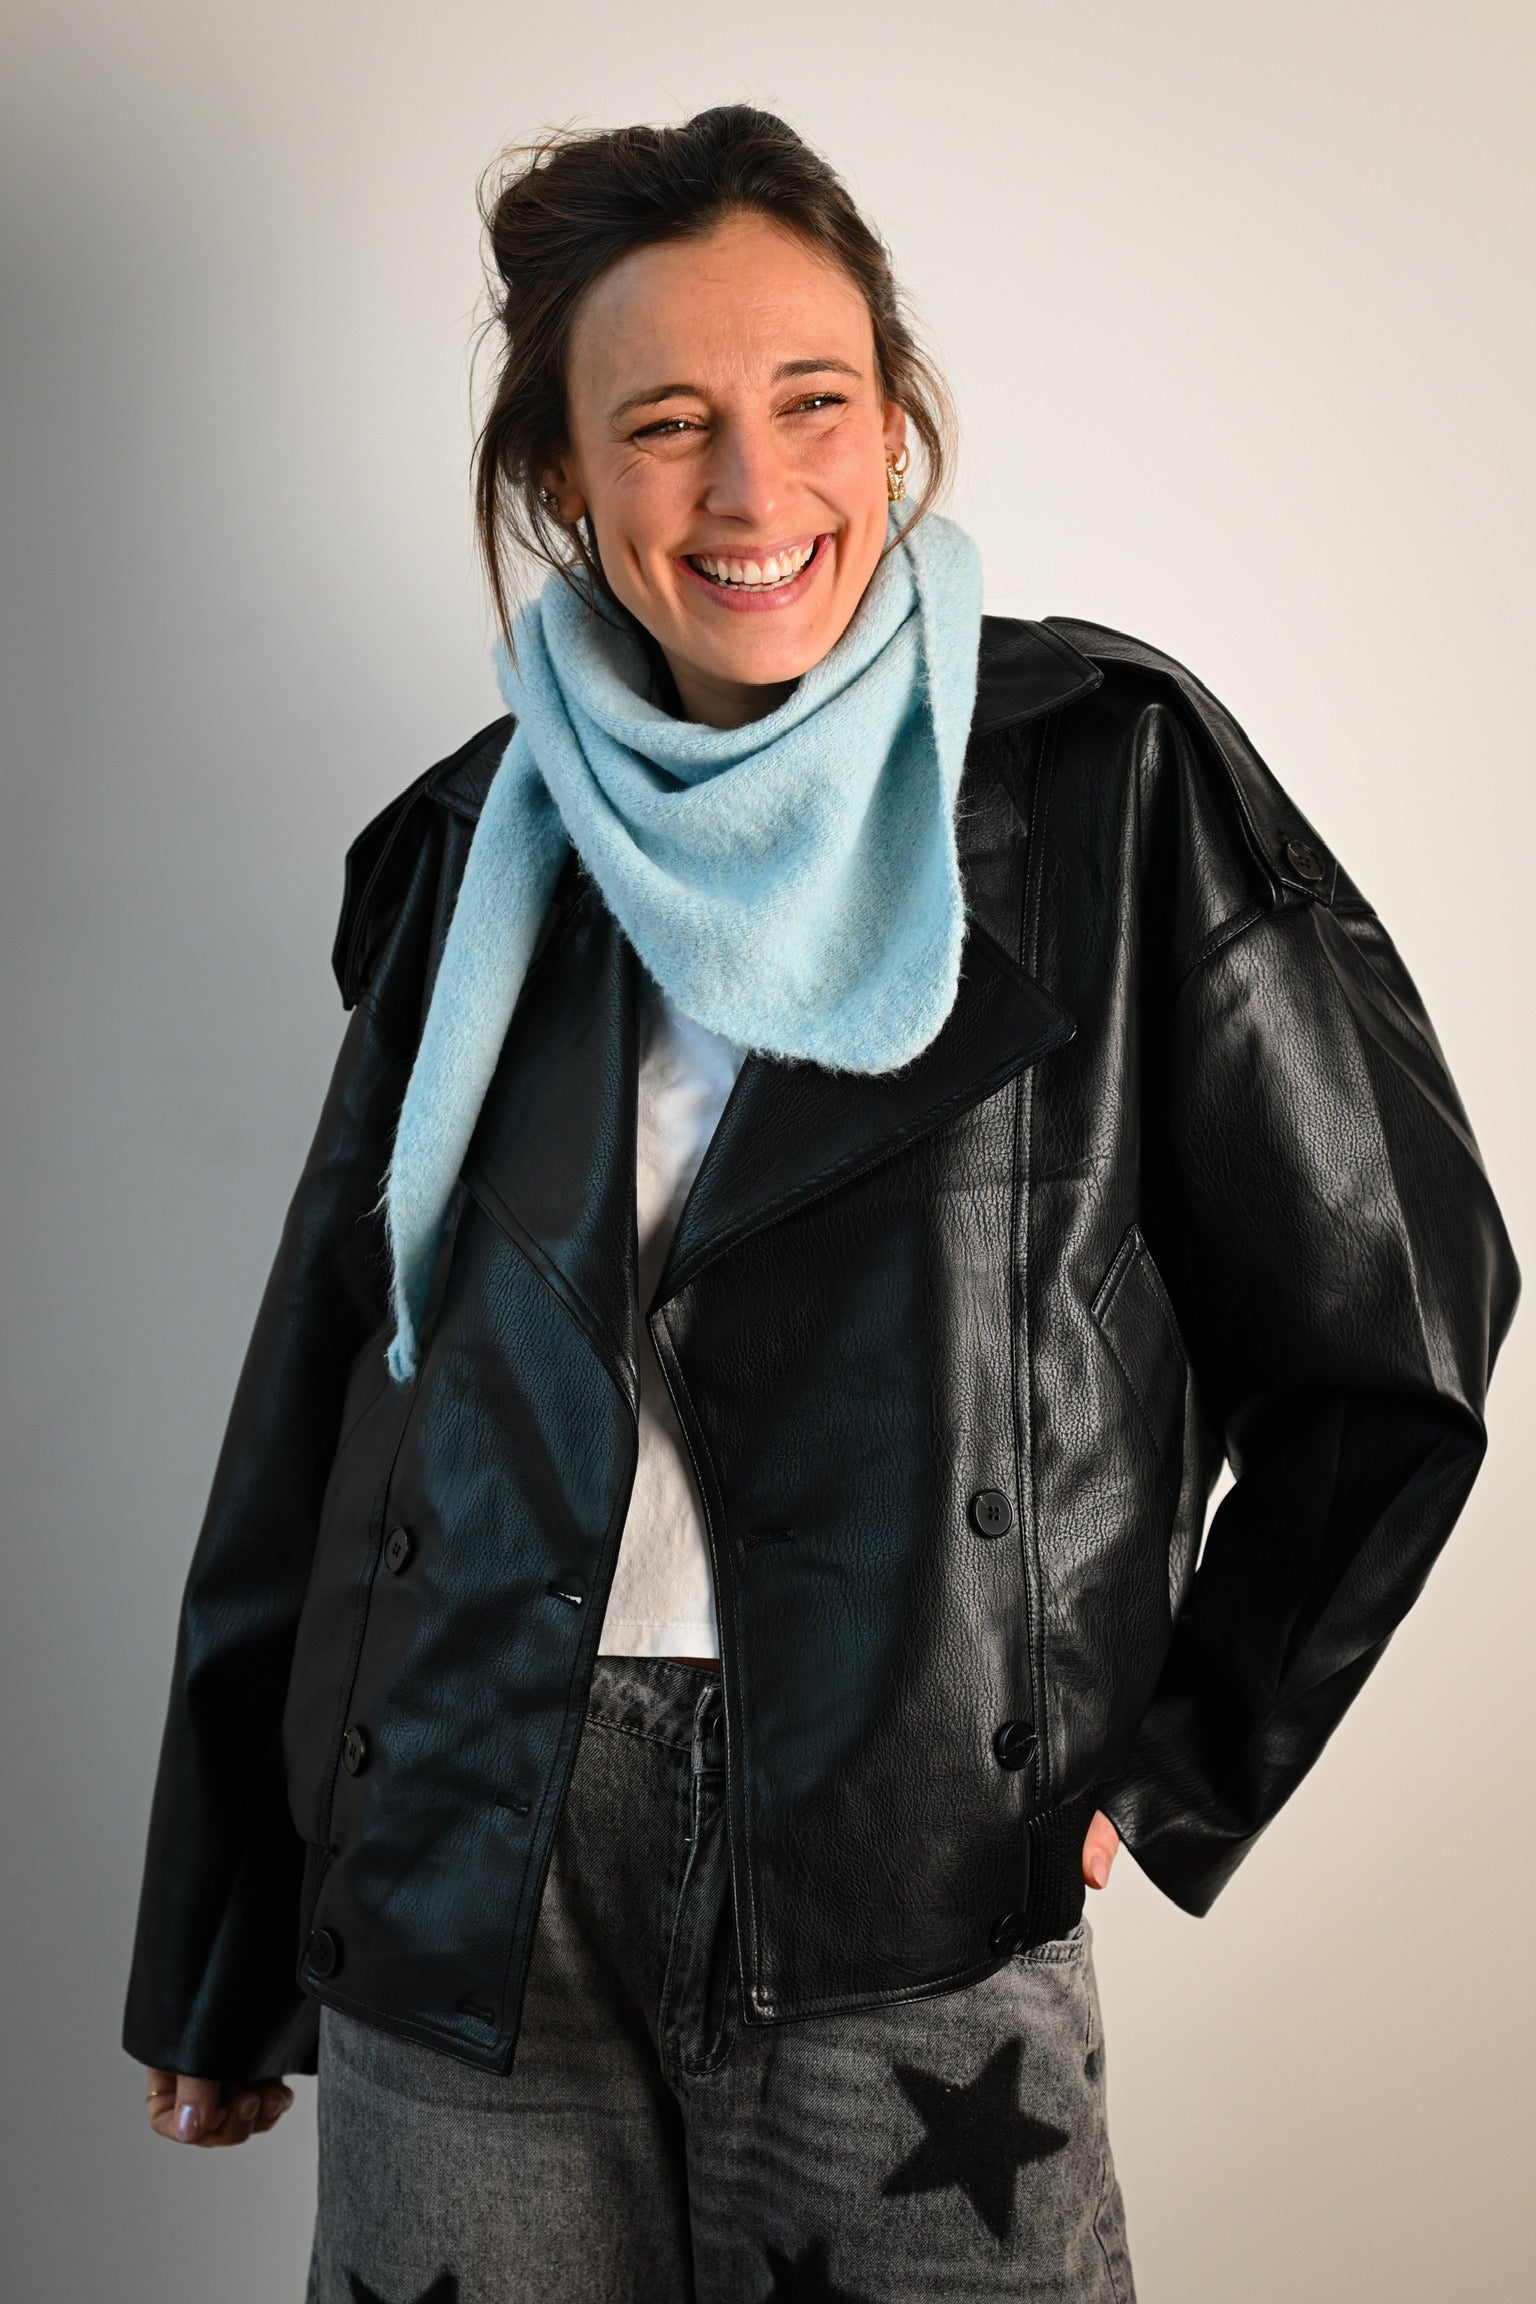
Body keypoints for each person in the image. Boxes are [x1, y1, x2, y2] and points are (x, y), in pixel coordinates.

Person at [123, 105, 1518, 2304]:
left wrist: (1173, 1768)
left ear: (892, 424)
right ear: (564, 476)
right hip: (459, 1863)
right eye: (665, 423)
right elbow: (330, 1409)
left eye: (810, 402)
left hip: (908, 1873)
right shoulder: (474, 848)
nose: (754, 489)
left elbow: (1397, 1321)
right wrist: (221, 1940)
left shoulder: (1105, 782)